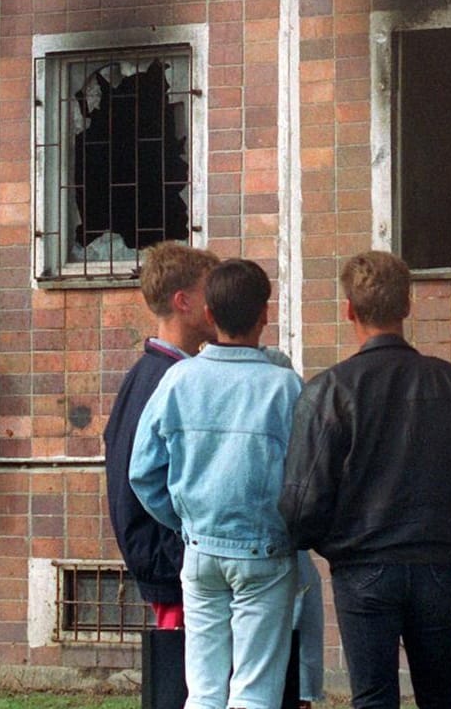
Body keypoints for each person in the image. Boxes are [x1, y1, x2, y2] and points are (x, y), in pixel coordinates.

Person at [279, 250, 451, 709]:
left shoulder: (329, 391)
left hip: (361, 566)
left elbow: (302, 504)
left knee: (372, 698)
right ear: (408, 305)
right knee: (443, 695)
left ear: (348, 309)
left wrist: (326, 540)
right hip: (437, 564)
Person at [131, 258, 303, 709]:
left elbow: (142, 473)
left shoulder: (177, 379)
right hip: (264, 549)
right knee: (255, 690)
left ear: (208, 315)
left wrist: (185, 521)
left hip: (200, 548)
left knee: (203, 690)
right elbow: (308, 476)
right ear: (265, 314)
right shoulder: (286, 387)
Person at [104, 242, 219, 630]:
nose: (218, 303)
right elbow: (140, 479)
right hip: (174, 570)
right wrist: (184, 550)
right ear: (183, 301)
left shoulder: (149, 374)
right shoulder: (167, 380)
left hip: (169, 565)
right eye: (210, 292)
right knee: (189, 685)